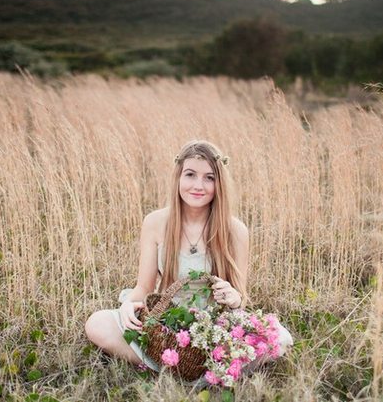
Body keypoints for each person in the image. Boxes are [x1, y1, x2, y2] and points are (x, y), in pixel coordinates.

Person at [84, 140, 292, 372]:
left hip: (214, 325)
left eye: (209, 178)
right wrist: (128, 306)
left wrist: (233, 297)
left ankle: (183, 365)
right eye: (190, 174)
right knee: (98, 323)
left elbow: (241, 296)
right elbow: (144, 287)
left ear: (219, 183)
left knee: (280, 339)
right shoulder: (155, 222)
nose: (198, 186)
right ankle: (184, 364)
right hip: (166, 322)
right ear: (178, 177)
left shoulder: (236, 230)